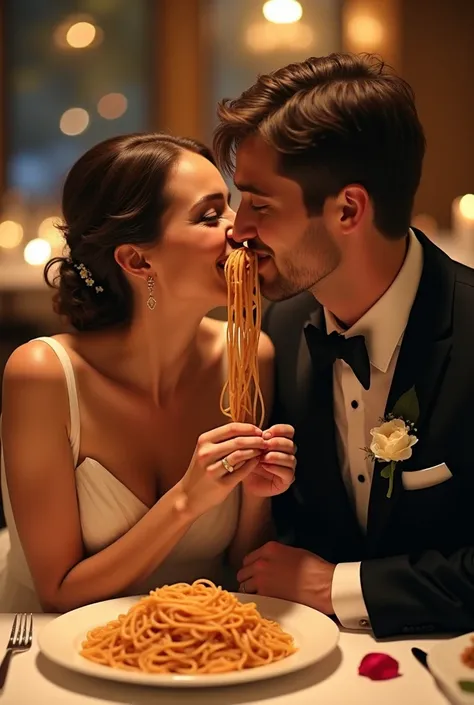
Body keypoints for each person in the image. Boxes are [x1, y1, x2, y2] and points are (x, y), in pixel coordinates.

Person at [213, 53, 474, 638]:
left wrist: (338, 587)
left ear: (348, 209)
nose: (238, 228)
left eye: (259, 203)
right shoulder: (278, 330)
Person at [0, 133, 296, 613]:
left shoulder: (248, 355)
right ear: (138, 260)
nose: (240, 229)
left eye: (232, 207)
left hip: (201, 646)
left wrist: (258, 494)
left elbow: (242, 566)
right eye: (209, 216)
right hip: (51, 654)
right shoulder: (44, 375)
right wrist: (186, 500)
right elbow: (58, 591)